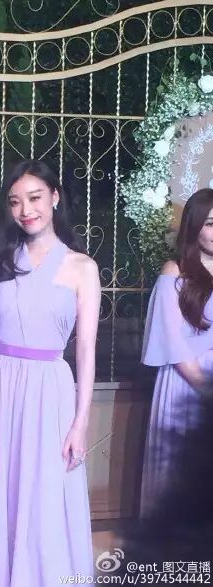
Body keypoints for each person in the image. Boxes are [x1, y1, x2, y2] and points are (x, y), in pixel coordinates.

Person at [0, 159, 100, 585]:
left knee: (44, 494)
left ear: (55, 197)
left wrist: (81, 422)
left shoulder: (82, 267)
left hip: (50, 389)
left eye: (34, 198)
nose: (26, 210)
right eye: (15, 202)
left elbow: (86, 350)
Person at [141, 188, 213, 517]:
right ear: (194, 227)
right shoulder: (175, 271)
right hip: (185, 384)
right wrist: (205, 387)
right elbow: (170, 338)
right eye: (210, 224)